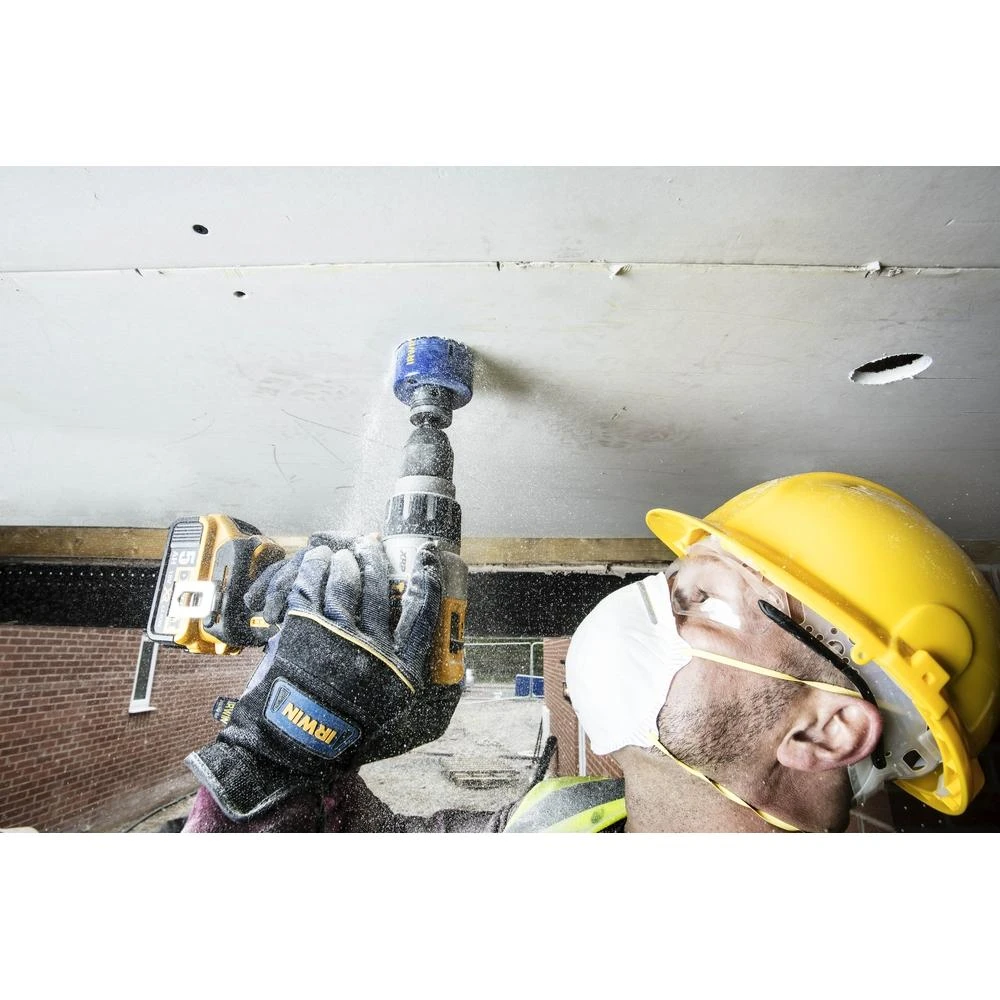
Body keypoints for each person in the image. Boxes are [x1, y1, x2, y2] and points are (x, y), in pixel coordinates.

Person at [182, 472, 1000, 833]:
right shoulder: (565, 821)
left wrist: (268, 753)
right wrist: (312, 747)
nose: (636, 612)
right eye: (671, 583)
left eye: (703, 602)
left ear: (823, 731)